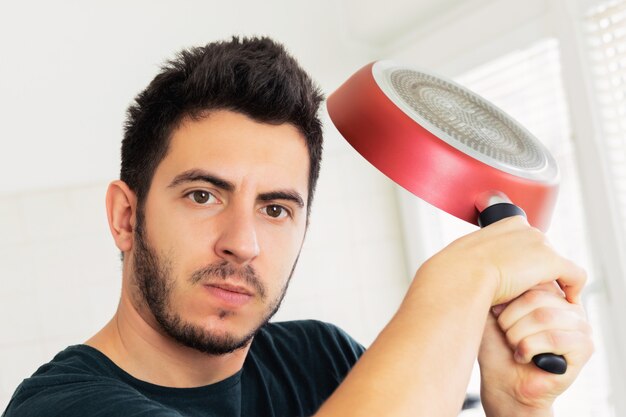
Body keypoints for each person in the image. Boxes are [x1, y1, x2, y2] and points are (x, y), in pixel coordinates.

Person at [2, 36, 593, 417]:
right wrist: (461, 279)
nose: (243, 241)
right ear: (126, 217)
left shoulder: (321, 358)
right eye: (204, 195)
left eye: (276, 208)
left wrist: (519, 410)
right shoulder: (59, 408)